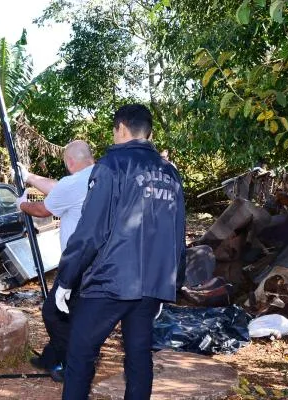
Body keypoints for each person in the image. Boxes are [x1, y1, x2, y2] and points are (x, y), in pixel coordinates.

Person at [55, 104, 185, 399]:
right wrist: (171, 282)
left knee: (80, 353)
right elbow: (177, 233)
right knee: (139, 356)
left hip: (110, 282)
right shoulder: (171, 174)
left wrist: (66, 278)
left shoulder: (112, 166)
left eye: (114, 131)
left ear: (122, 128)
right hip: (151, 284)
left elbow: (90, 231)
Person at [13, 140, 95, 381]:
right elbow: (59, 187)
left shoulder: (74, 182)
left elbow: (42, 210)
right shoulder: (99, 175)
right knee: (69, 310)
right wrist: (29, 177)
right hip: (97, 261)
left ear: (70, 162)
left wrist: (21, 204)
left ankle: (73, 364)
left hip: (78, 262)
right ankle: (52, 356)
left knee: (53, 312)